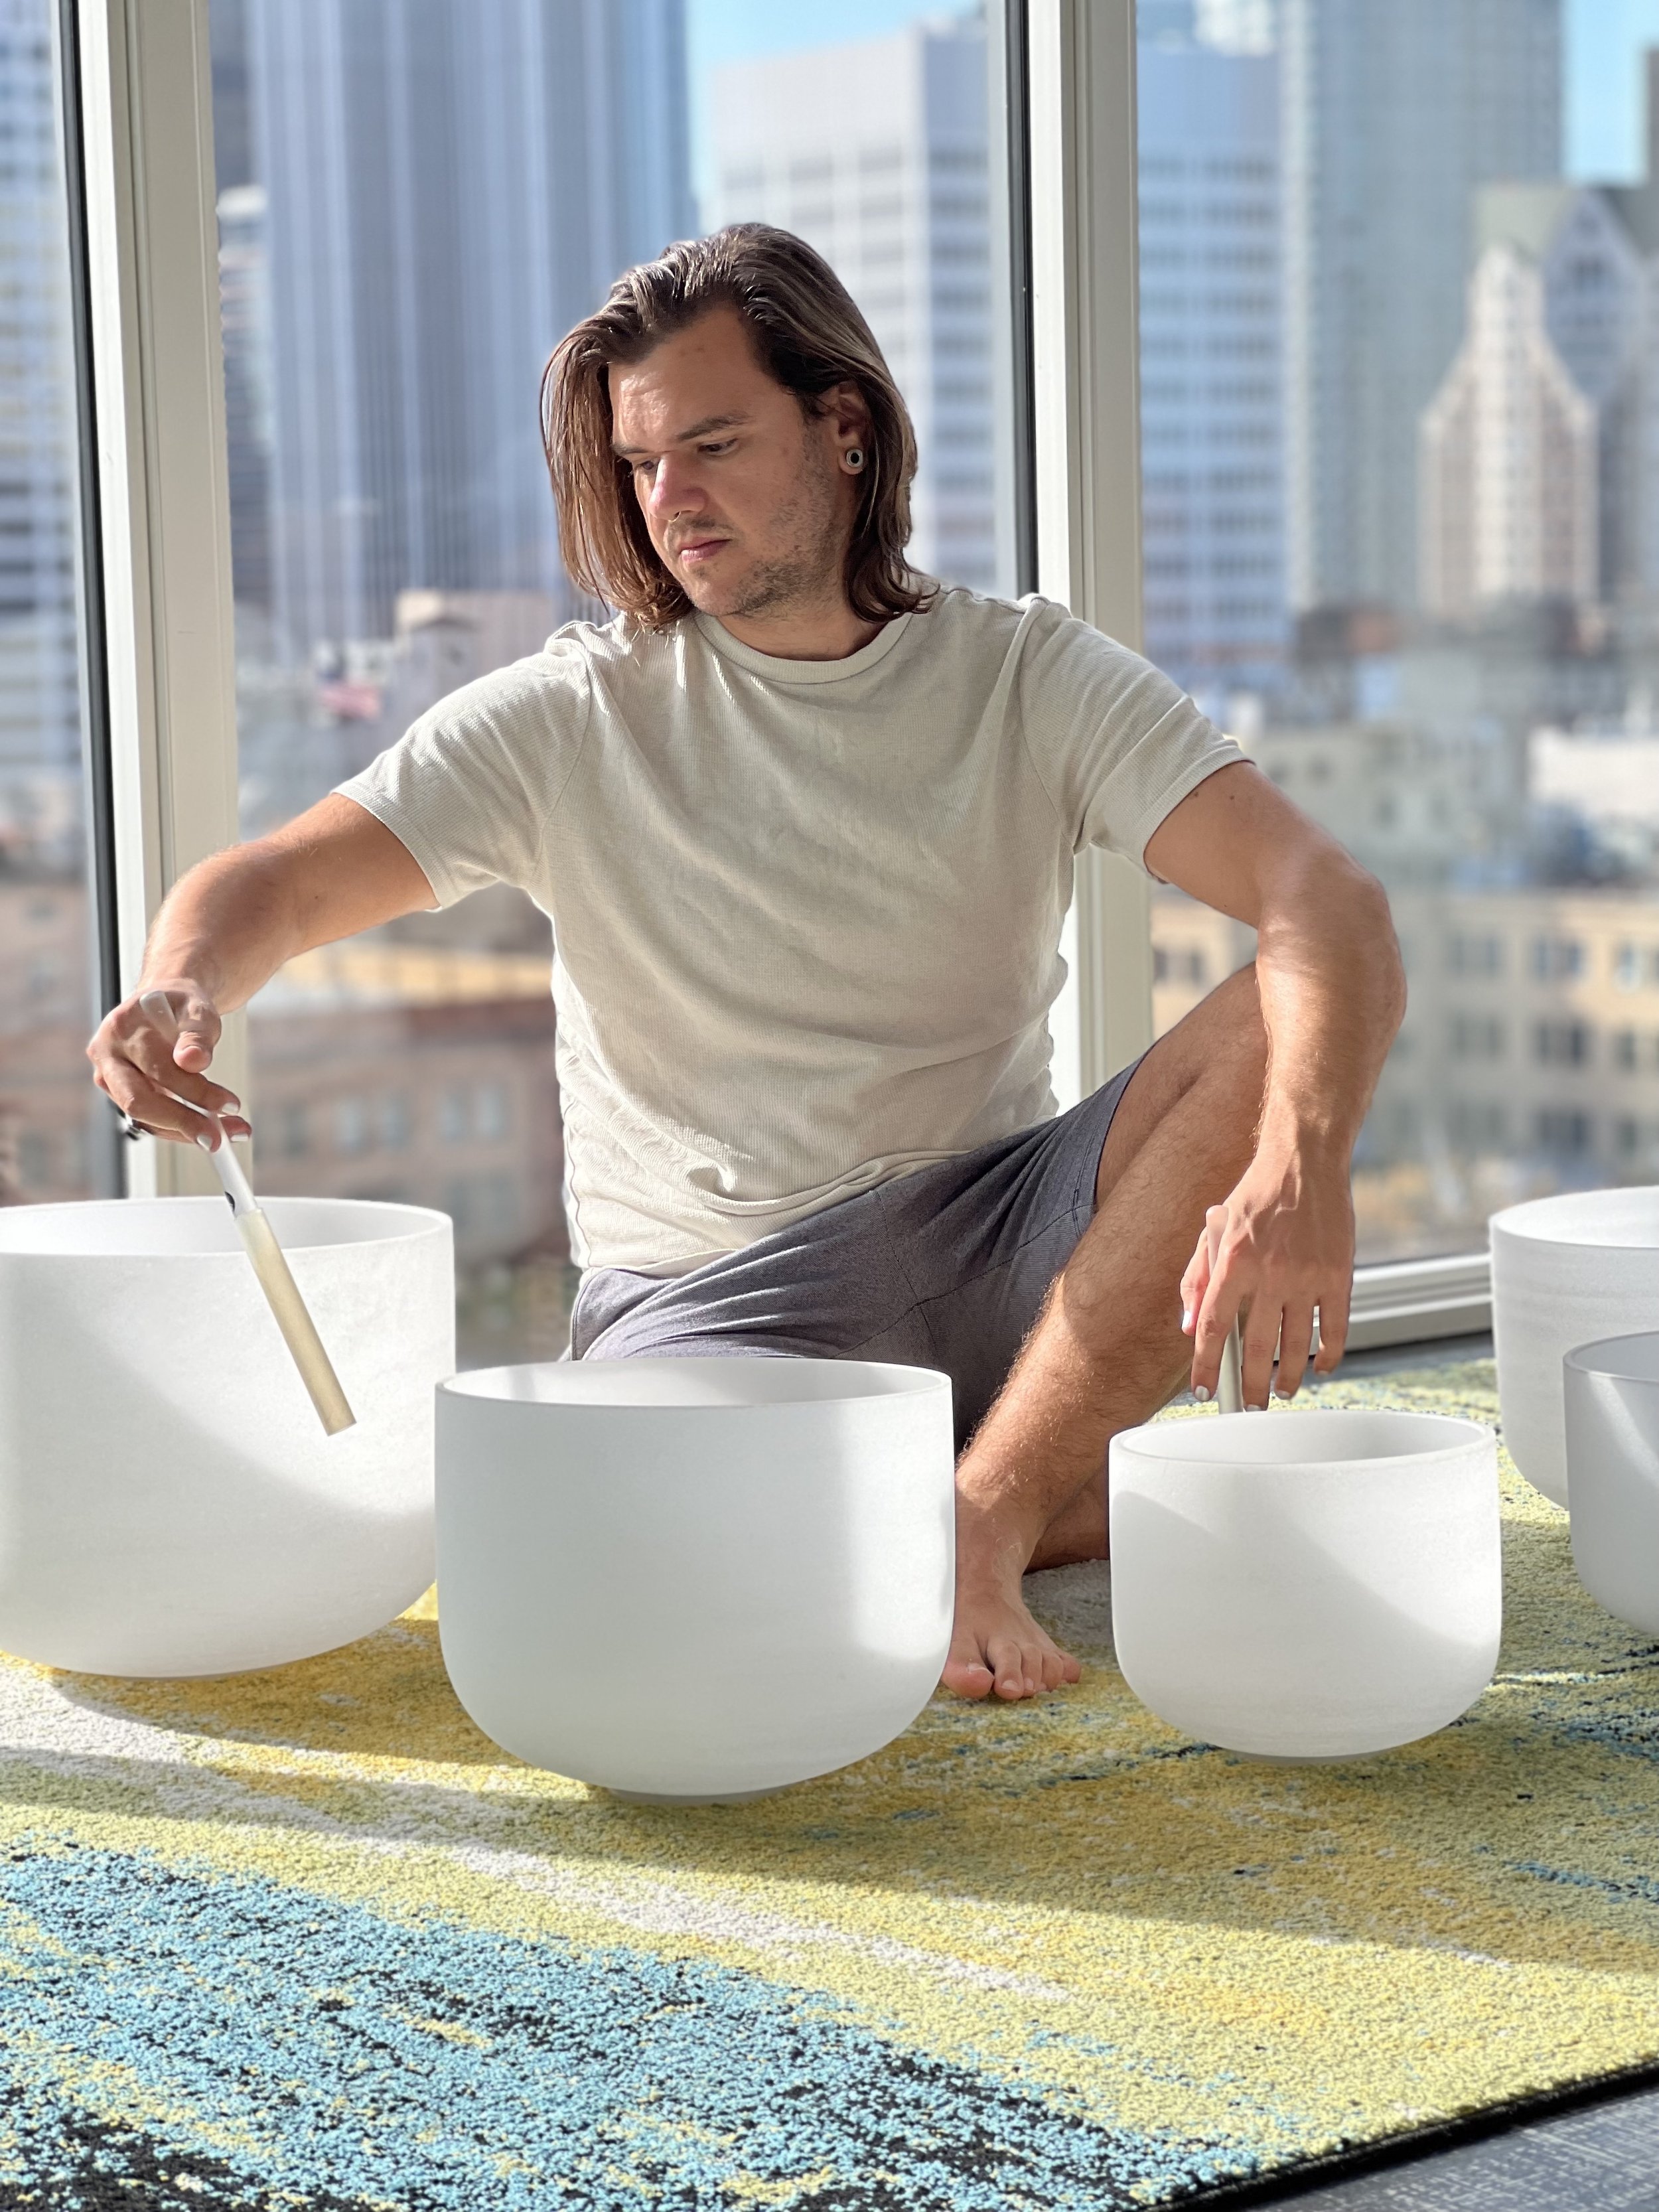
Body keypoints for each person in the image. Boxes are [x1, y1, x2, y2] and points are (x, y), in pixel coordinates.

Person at [86, 225, 1405, 1705]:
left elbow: (1328, 898)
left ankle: (982, 1504)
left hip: (1011, 1241)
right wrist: (185, 981)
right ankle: (1027, 1482)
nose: (671, 501)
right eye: (641, 464)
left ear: (844, 428)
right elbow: (269, 882)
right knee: (632, 1556)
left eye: (711, 446)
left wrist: (1300, 1168)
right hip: (721, 1300)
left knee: (1276, 1011)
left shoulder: (1025, 673)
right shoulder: (571, 715)